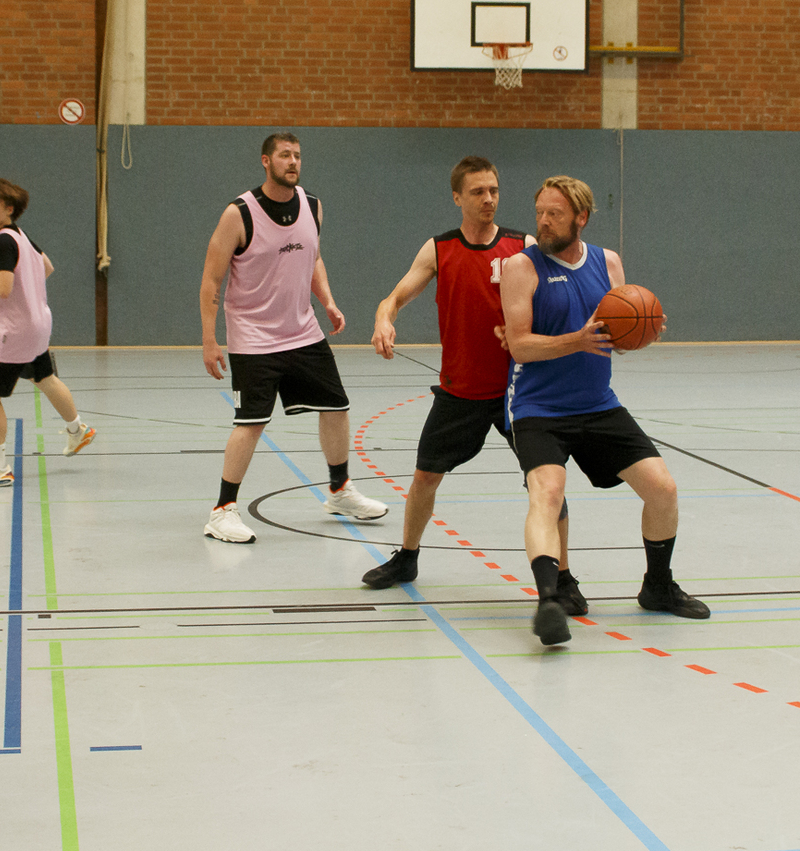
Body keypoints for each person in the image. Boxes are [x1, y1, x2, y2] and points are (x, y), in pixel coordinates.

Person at [361, 157, 587, 613]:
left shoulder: (523, 245)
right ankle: (407, 558)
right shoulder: (439, 249)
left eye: (494, 190)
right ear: (457, 197)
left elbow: (563, 290)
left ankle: (563, 576)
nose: (488, 199)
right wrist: (385, 319)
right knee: (425, 476)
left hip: (518, 393)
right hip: (460, 391)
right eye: (478, 192)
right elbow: (396, 296)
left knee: (547, 487)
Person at [500, 175, 709, 647]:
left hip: (598, 405)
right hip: (538, 407)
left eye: (554, 213)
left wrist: (642, 329)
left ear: (581, 217)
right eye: (539, 213)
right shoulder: (521, 266)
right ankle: (551, 599)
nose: (544, 222)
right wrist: (576, 339)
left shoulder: (608, 262)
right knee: (547, 495)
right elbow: (519, 345)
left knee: (663, 489)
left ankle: (657, 587)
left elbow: (616, 334)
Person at [199, 132, 387, 543]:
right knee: (251, 423)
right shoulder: (239, 213)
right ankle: (222, 510)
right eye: (285, 155)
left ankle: (340, 490)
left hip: (302, 331)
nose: (293, 161)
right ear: (266, 161)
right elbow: (212, 278)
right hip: (252, 338)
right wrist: (209, 340)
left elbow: (313, 257)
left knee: (337, 407)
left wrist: (329, 302)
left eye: (298, 155)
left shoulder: (313, 206)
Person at [0, 179, 95, 488]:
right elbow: (46, 267)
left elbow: (3, 289)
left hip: (15, 331)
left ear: (9, 209)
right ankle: (77, 431)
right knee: (44, 377)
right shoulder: (22, 237)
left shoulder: (1, 243)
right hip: (38, 324)